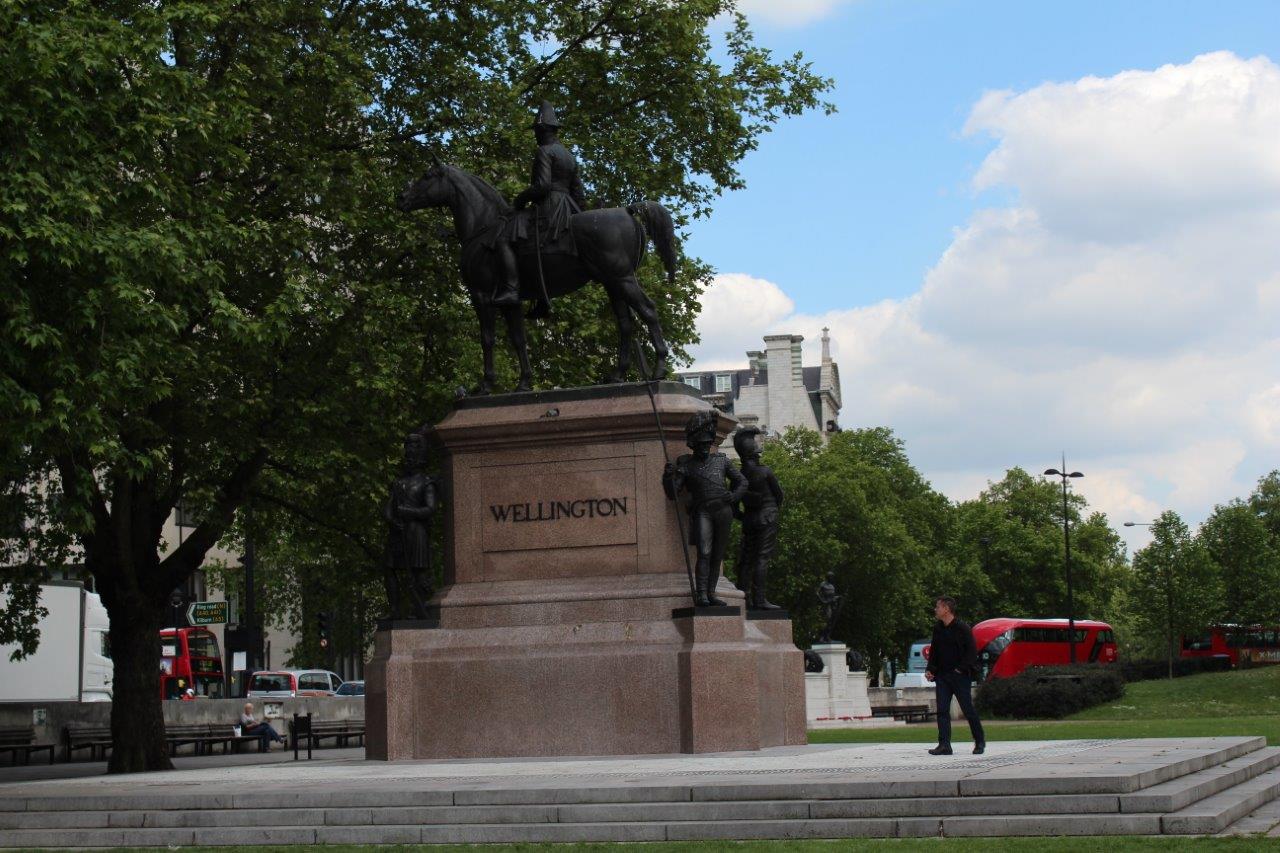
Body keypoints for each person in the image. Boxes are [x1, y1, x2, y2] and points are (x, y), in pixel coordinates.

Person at [496, 101, 587, 314]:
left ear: (543, 129)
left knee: (504, 236)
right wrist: (581, 211)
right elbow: (578, 193)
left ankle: (511, 289)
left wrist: (520, 199)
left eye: (536, 130)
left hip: (549, 206)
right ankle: (541, 297)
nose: (535, 135)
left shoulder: (544, 151)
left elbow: (542, 186)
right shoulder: (569, 156)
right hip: (569, 206)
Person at [663, 411, 748, 606]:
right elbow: (673, 493)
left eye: (707, 444)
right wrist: (668, 477)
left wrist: (733, 496)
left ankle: (711, 593)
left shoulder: (722, 461)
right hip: (703, 512)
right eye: (700, 444)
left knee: (717, 555)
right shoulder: (686, 465)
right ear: (693, 444)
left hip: (723, 511)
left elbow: (742, 482)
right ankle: (701, 594)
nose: (704, 448)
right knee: (705, 551)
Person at [924, 595, 986, 755]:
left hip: (960, 676)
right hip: (943, 677)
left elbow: (972, 652)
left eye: (938, 607)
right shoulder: (937, 628)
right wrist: (930, 669)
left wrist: (960, 669)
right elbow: (934, 651)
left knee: (968, 709)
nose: (935, 610)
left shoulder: (963, 628)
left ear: (946, 609)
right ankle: (944, 744)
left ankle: (979, 741)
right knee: (942, 711)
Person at [732, 426, 784, 610]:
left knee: (747, 559)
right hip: (767, 517)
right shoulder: (765, 471)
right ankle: (760, 600)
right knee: (762, 558)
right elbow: (779, 495)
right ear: (754, 454)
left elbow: (733, 505)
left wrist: (745, 517)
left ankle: (744, 597)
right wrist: (770, 512)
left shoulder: (738, 476)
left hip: (750, 520)